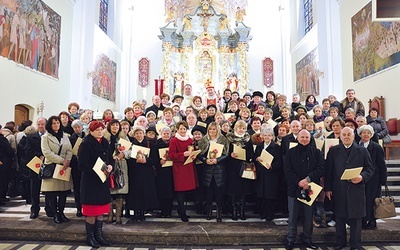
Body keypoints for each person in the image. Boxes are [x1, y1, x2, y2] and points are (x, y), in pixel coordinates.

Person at [325, 127, 374, 250]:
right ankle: (340, 242)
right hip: (339, 189)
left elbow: (370, 168)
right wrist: (328, 189)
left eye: (349, 135)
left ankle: (355, 244)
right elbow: (328, 171)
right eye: (344, 135)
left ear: (353, 136)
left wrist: (362, 177)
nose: (346, 137)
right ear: (340, 137)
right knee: (340, 217)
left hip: (356, 189)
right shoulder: (333, 151)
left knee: (356, 219)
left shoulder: (362, 151)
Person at [283, 129, 324, 250]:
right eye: (302, 137)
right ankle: (291, 239)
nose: (304, 139)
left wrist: (308, 179)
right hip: (293, 188)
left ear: (310, 138)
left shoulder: (316, 152)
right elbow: (287, 170)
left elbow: (321, 168)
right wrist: (299, 182)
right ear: (298, 138)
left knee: (308, 216)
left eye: (307, 137)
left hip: (310, 188)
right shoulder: (290, 152)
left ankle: (307, 238)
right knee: (293, 216)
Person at [78, 120, 113, 248]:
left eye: (102, 129)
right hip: (90, 181)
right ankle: (90, 237)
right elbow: (81, 164)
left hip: (102, 180)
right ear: (91, 131)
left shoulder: (104, 142)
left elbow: (109, 158)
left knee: (100, 210)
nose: (100, 131)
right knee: (91, 210)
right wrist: (97, 171)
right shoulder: (86, 143)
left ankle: (99, 235)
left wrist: (110, 166)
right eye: (97, 129)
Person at [41, 116, 73, 224]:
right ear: (50, 125)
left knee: (63, 192)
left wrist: (67, 160)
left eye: (58, 123)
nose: (56, 125)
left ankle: (62, 213)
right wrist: (61, 160)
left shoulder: (65, 136)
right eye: (54, 123)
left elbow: (69, 150)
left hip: (63, 167)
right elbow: (47, 153)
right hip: (52, 166)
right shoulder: (45, 137)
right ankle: (55, 214)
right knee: (52, 193)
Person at [197, 122, 229, 222]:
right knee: (209, 193)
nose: (212, 131)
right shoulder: (203, 140)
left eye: (214, 129)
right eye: (210, 129)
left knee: (219, 193)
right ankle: (209, 212)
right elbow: (199, 154)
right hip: (207, 169)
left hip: (219, 169)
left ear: (217, 130)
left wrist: (217, 160)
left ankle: (219, 214)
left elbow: (226, 154)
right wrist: (205, 160)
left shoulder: (223, 139)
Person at [126, 125, 158, 221]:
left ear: (144, 134)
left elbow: (155, 159)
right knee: (135, 193)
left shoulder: (150, 144)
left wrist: (146, 160)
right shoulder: (130, 145)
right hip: (134, 172)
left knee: (144, 192)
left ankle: (142, 212)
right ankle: (135, 212)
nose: (139, 135)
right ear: (134, 135)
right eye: (137, 133)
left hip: (146, 172)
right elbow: (127, 159)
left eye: (140, 133)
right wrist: (134, 161)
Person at [357, 125, 387, 230]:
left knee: (372, 200)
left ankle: (372, 220)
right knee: (361, 200)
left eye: (368, 133)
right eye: (363, 132)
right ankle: (362, 220)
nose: (366, 135)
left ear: (371, 135)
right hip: (360, 177)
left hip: (374, 178)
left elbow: (382, 164)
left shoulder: (377, 147)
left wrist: (383, 179)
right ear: (360, 134)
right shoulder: (356, 145)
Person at [168, 121, 197, 222]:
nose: (183, 130)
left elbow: (192, 151)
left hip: (188, 167)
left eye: (184, 129)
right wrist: (182, 154)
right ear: (177, 130)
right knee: (180, 190)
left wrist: (193, 154)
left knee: (186, 191)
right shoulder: (174, 141)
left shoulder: (190, 140)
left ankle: (182, 210)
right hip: (179, 168)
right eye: (181, 129)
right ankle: (182, 212)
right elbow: (171, 155)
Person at [226, 120, 254, 220]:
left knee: (243, 190)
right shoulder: (229, 138)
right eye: (239, 128)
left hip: (244, 166)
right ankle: (234, 211)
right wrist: (231, 155)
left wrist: (246, 155)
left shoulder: (248, 138)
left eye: (243, 128)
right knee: (233, 189)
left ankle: (241, 211)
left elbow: (251, 153)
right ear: (235, 128)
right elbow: (225, 152)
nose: (241, 130)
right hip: (232, 167)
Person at [103, 119, 130, 224]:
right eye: (113, 125)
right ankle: (110, 215)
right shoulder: (105, 137)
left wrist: (124, 154)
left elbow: (130, 150)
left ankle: (118, 216)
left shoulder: (123, 137)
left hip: (120, 165)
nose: (115, 127)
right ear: (109, 127)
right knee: (109, 191)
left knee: (120, 191)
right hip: (108, 165)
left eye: (117, 125)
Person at [254, 127, 282, 221]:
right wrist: (257, 159)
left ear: (272, 137)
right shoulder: (259, 146)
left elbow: (279, 162)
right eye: (265, 135)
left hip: (271, 174)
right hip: (261, 173)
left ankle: (270, 214)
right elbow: (255, 157)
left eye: (269, 135)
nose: (267, 137)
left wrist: (272, 166)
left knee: (270, 195)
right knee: (261, 194)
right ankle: (262, 213)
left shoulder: (276, 147)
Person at [155, 126, 174, 218]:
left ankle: (169, 211)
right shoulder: (156, 144)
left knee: (171, 191)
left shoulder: (173, 143)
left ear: (171, 134)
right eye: (164, 133)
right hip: (161, 171)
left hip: (172, 170)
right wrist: (159, 161)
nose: (166, 135)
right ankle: (163, 211)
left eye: (168, 133)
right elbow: (153, 157)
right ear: (161, 134)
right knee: (162, 191)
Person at [69, 120, 85, 217]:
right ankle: (78, 208)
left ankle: (85, 207)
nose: (77, 129)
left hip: (86, 166)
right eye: (75, 127)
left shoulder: (87, 137)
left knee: (85, 188)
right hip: (76, 166)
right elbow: (68, 151)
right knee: (77, 188)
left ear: (82, 127)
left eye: (78, 127)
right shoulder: (71, 138)